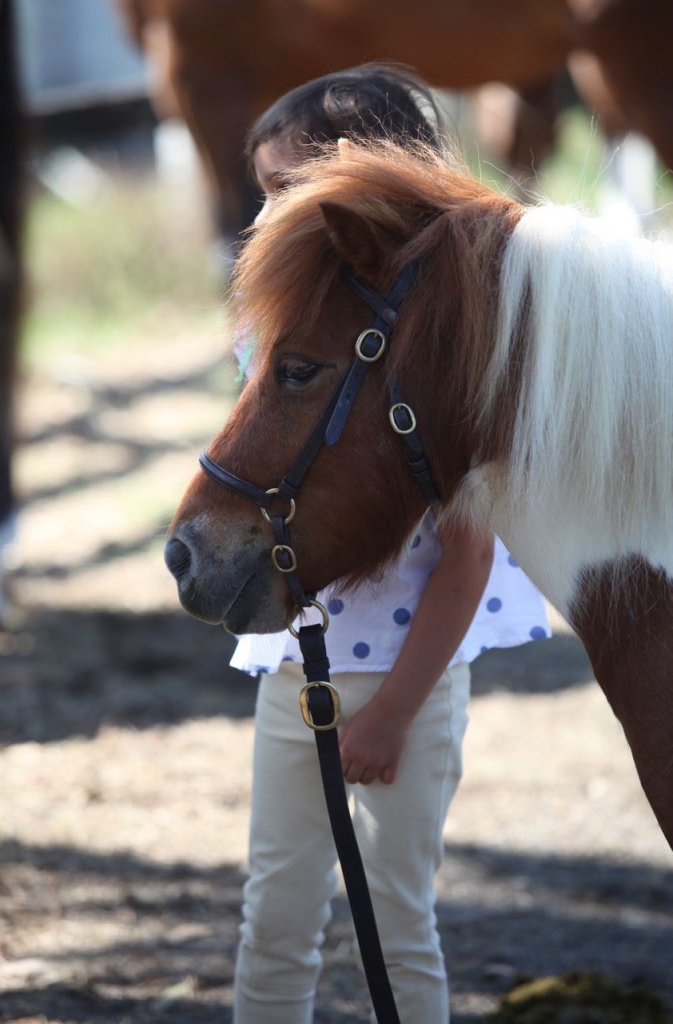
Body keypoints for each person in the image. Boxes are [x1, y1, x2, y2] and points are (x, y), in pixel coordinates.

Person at [229, 64, 551, 1024]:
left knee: (398, 919)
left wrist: (393, 714)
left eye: (289, 194)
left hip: (411, 685)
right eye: (263, 196)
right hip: (298, 671)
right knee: (273, 917)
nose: (266, 224)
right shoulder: (277, 341)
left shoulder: (440, 358)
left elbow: (467, 559)